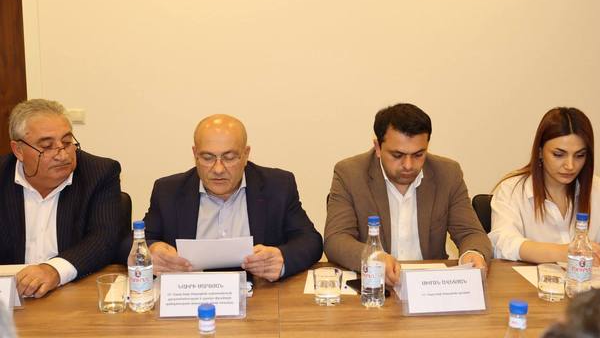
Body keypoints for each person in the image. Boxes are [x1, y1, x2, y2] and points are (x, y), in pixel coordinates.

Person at [122, 114, 322, 281]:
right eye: (208, 157)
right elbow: (128, 243)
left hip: (259, 298)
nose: (218, 169)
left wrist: (282, 258)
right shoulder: (169, 191)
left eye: (229, 157)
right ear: (195, 154)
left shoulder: (277, 186)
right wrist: (151, 250)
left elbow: (310, 240)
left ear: (246, 154)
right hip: (190, 297)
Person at [324, 103, 491, 285]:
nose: (408, 165)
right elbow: (336, 239)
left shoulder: (447, 173)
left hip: (430, 286)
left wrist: (473, 254)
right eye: (398, 155)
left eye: (418, 155)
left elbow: (470, 232)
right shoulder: (350, 174)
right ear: (378, 147)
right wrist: (374, 258)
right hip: (375, 288)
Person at [0, 99, 122, 298]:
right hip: (9, 296)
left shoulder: (99, 173)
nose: (62, 155)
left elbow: (104, 239)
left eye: (67, 142)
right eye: (47, 146)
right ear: (18, 150)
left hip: (73, 293)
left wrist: (53, 270)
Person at [489, 107, 600, 263]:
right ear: (540, 151)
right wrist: (565, 252)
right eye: (558, 155)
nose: (570, 165)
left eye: (579, 155)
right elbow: (502, 243)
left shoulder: (596, 189)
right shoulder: (512, 190)